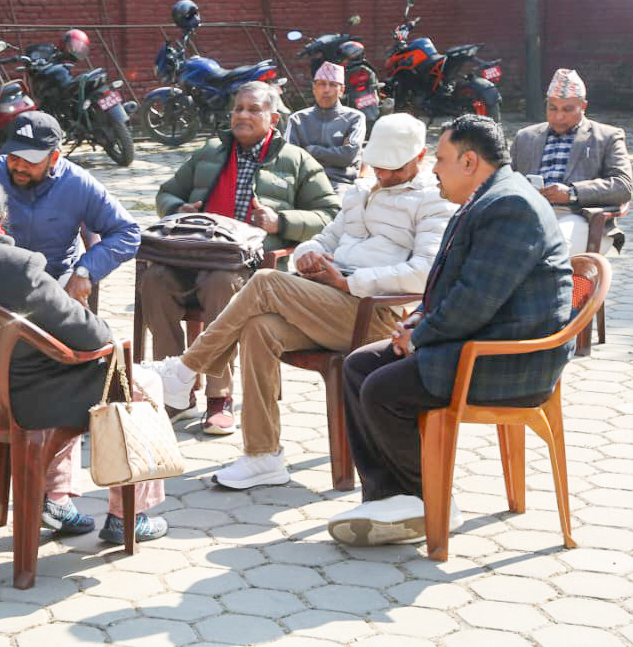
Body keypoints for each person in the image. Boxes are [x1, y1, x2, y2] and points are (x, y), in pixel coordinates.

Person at [146, 113, 455, 489]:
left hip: (376, 315)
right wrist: (309, 256)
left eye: (394, 168)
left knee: (265, 282)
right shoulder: (361, 191)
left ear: (419, 157)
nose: (385, 175)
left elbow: (424, 273)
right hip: (330, 302)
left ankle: (185, 371)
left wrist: (349, 282)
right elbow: (323, 239)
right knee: (259, 328)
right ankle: (263, 456)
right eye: (379, 166)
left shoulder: (433, 202)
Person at [326, 114, 572, 546]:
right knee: (359, 366)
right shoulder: (484, 199)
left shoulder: (511, 206)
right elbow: (450, 286)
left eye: (440, 159)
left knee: (383, 389)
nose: (434, 168)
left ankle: (430, 500)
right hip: (479, 338)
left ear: (469, 161)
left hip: (509, 359)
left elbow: (476, 299)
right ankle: (389, 497)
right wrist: (417, 320)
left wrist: (420, 336)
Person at [0, 169, 168, 543]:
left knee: (63, 370)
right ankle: (129, 516)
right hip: (27, 402)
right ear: (1, 216)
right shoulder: (20, 267)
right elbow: (95, 336)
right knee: (138, 380)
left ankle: (55, 499)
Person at [139, 81, 340, 435]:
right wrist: (178, 208)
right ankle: (176, 394)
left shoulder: (295, 160)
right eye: (238, 109)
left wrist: (281, 222)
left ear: (273, 118)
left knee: (220, 284)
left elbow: (330, 214)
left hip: (250, 266)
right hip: (194, 253)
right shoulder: (210, 152)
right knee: (154, 281)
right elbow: (167, 192)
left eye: (253, 109)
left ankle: (219, 398)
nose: (243, 115)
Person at [0, 111, 140, 306]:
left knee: (75, 333)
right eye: (14, 157)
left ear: (54, 158)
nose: (19, 167)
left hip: (56, 280)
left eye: (31, 161)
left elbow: (127, 233)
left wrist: (86, 270)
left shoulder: (79, 183)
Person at [510, 68, 633, 254]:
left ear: (583, 106)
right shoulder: (526, 137)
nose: (558, 116)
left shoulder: (606, 137)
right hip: (529, 215)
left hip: (580, 217)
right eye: (552, 108)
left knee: (553, 249)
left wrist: (572, 193)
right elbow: (505, 179)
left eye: (568, 109)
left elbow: (623, 186)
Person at [284, 61, 367, 190]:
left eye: (332, 85)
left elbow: (347, 156)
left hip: (340, 184)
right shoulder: (297, 119)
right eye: (322, 84)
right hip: (304, 183)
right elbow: (289, 158)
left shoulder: (355, 118)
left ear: (341, 90)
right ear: (314, 88)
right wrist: (335, 153)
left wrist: (310, 150)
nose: (326, 90)